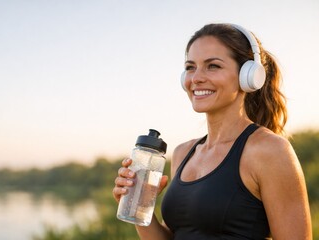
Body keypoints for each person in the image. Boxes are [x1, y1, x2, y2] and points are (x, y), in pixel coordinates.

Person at [112, 23, 312, 239]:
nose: (196, 78)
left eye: (213, 66)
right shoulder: (182, 153)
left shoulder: (269, 150)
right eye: (190, 67)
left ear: (249, 75)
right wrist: (138, 207)